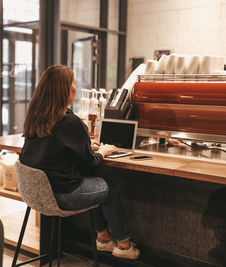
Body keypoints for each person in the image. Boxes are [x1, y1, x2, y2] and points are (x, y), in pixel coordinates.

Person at [19, 64, 140, 259]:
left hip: (35, 194)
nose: (75, 87)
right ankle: (124, 246)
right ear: (64, 89)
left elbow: (55, 146)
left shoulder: (36, 117)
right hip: (61, 196)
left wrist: (83, 144)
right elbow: (90, 165)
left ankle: (104, 239)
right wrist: (102, 151)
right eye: (73, 84)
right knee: (106, 187)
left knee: (94, 184)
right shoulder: (69, 121)